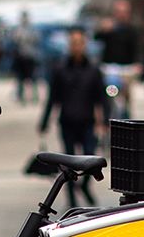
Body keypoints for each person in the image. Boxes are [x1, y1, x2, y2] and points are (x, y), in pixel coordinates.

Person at [39, 27, 109, 209]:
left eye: (80, 43)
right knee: (67, 165)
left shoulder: (94, 70)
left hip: (87, 122)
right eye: (73, 43)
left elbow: (102, 98)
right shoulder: (60, 69)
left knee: (90, 161)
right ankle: (71, 201)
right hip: (67, 122)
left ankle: (85, 186)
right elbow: (52, 98)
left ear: (85, 45)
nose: (76, 47)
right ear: (69, 45)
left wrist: (106, 121)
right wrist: (44, 122)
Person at [11, 12, 41, 99]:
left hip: (31, 57)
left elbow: (37, 39)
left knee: (34, 78)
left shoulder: (32, 29)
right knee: (20, 78)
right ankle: (20, 96)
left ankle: (35, 96)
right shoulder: (18, 29)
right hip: (21, 58)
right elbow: (15, 39)